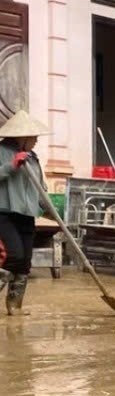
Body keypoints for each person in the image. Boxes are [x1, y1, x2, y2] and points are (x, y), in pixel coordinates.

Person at [0, 111, 49, 316]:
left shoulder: (33, 158)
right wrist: (12, 165)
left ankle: (14, 306)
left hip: (27, 215)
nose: (37, 140)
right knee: (14, 255)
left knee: (25, 262)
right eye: (34, 136)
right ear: (22, 136)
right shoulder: (1, 151)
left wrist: (49, 208)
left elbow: (39, 188)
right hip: (4, 212)